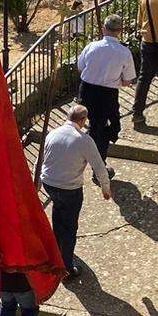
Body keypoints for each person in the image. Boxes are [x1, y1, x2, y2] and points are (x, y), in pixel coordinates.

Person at [40, 105, 112, 282]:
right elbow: (99, 167)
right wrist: (105, 187)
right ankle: (66, 268)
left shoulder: (52, 133)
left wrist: (36, 183)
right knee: (70, 227)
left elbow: (41, 159)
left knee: (58, 215)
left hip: (49, 183)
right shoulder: (84, 140)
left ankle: (55, 255)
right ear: (83, 120)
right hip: (70, 188)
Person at [77, 14, 137, 174]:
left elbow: (81, 67)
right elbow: (128, 80)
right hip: (107, 95)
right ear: (120, 31)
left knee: (89, 124)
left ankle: (85, 153)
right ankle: (99, 168)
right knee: (104, 130)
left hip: (86, 91)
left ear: (104, 29)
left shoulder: (91, 46)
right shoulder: (124, 52)